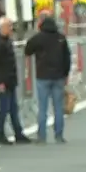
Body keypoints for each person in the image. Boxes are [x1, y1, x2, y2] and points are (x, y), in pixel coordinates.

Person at [24, 16, 72, 144]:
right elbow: (67, 58)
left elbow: (27, 50)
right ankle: (59, 135)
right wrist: (65, 74)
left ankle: (42, 136)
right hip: (58, 77)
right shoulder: (61, 38)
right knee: (58, 107)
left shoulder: (38, 38)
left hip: (43, 76)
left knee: (42, 107)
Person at [0, 16, 31, 145]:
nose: (11, 29)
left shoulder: (7, 41)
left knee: (13, 108)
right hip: (3, 81)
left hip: (10, 79)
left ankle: (18, 133)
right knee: (4, 108)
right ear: (1, 28)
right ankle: (0, 134)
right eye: (9, 26)